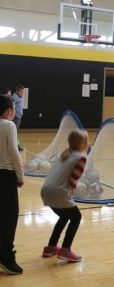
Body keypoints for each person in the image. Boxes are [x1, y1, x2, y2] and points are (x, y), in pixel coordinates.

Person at [40, 129, 89, 263]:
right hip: (58, 192)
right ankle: (65, 250)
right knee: (76, 217)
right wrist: (72, 191)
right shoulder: (81, 157)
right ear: (83, 143)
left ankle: (51, 247)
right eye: (87, 140)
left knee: (65, 216)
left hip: (46, 190)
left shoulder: (64, 154)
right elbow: (73, 179)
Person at [0, 94, 24, 275]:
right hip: (6, 176)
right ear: (9, 110)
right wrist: (20, 176)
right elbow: (14, 153)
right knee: (9, 217)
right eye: (14, 108)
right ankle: (6, 257)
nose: (15, 111)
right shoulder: (9, 125)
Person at [11, 85, 24, 151]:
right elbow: (11, 105)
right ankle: (16, 146)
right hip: (16, 117)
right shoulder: (15, 97)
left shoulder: (18, 97)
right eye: (21, 92)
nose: (22, 93)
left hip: (18, 117)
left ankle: (16, 145)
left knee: (16, 132)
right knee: (15, 132)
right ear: (17, 91)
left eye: (23, 92)